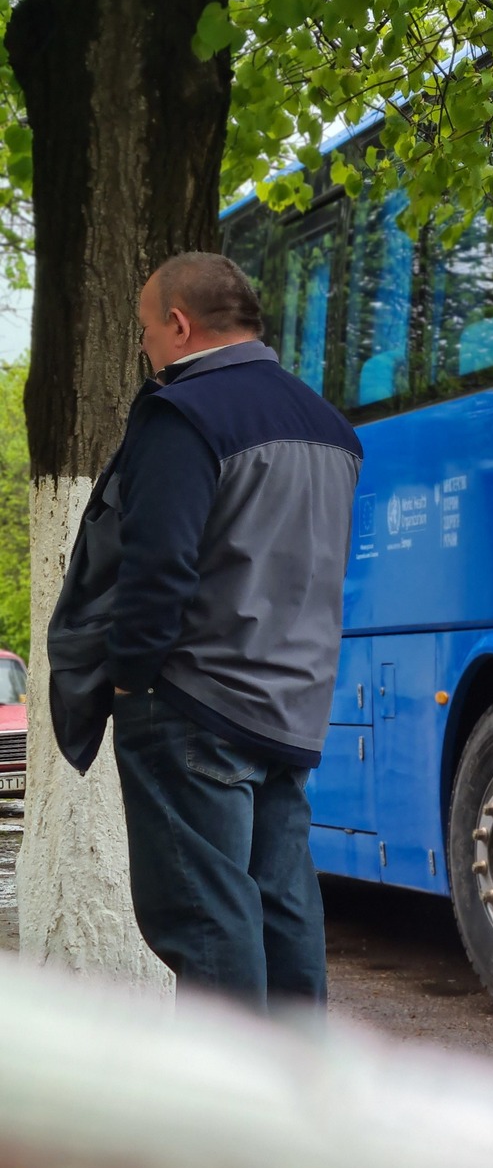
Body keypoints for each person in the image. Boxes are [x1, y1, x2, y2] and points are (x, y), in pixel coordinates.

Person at [46, 252, 362, 1010]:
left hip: (190, 706)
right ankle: (297, 1113)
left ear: (179, 325)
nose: (147, 350)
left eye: (147, 332)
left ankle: (223, 1122)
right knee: (285, 922)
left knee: (208, 926)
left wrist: (129, 676)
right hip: (288, 710)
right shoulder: (330, 427)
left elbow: (157, 569)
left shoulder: (182, 414)